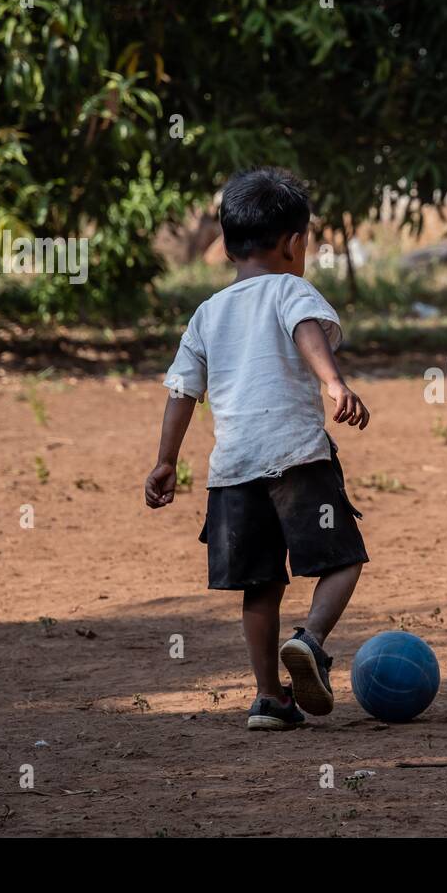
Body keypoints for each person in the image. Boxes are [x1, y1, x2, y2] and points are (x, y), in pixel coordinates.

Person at [144, 167, 370, 732]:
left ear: (225, 244)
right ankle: (311, 642)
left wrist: (166, 459)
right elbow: (306, 332)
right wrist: (333, 382)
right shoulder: (293, 289)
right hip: (296, 458)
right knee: (343, 561)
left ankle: (269, 698)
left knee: (260, 587)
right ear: (296, 243)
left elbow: (182, 391)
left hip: (233, 472)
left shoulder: (207, 313)